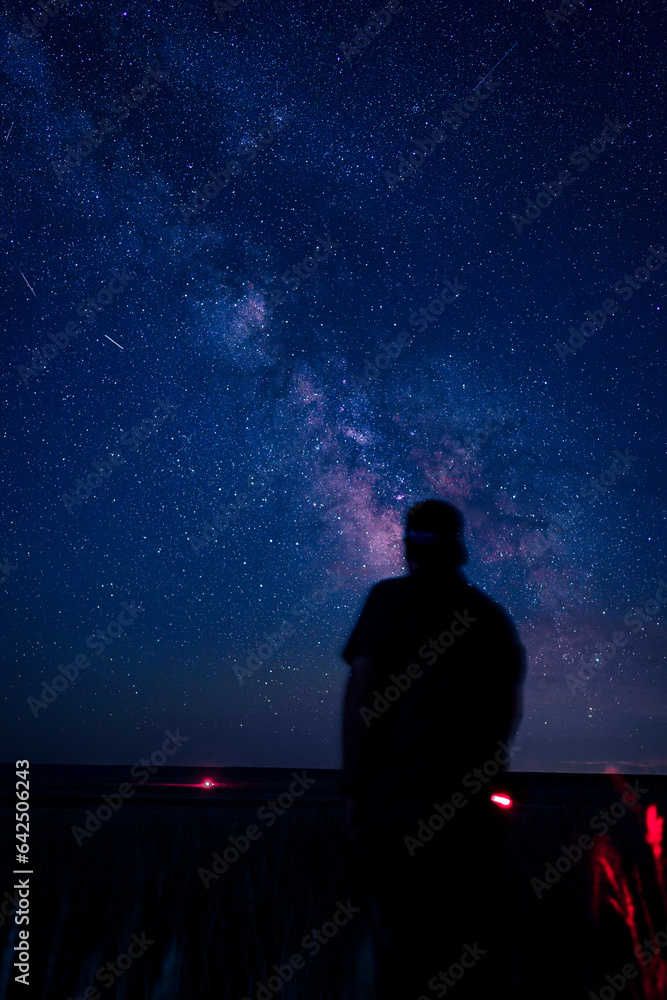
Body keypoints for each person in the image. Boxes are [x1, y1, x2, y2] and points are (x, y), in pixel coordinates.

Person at [340, 499, 526, 999]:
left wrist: (355, 785)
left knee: (405, 954)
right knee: (471, 958)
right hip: (475, 816)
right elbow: (508, 711)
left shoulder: (390, 601)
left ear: (407, 548)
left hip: (399, 806)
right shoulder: (491, 618)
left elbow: (364, 692)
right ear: (460, 550)